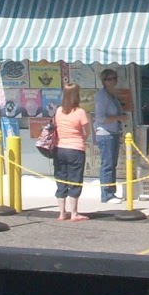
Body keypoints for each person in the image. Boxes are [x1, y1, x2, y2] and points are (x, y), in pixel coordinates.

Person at [52, 82, 90, 221]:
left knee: (61, 178)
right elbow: (86, 132)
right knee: (75, 179)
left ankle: (62, 212)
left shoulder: (58, 111)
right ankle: (74, 213)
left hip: (59, 148)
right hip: (75, 149)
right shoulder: (80, 112)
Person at [94, 68, 127, 203]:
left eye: (115, 78)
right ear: (104, 81)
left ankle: (111, 192)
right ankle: (106, 194)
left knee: (112, 163)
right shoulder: (102, 96)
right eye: (110, 79)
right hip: (105, 133)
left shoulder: (111, 95)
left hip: (113, 132)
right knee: (107, 164)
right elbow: (100, 118)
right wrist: (119, 117)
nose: (113, 81)